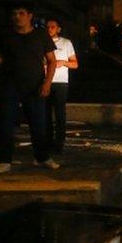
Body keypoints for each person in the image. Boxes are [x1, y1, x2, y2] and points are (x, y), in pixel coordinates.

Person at [0, 1, 58, 173]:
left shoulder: (41, 35)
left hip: (34, 86)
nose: (17, 17)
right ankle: (4, 160)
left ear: (29, 16)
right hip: (9, 85)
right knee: (6, 123)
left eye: (21, 13)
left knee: (39, 124)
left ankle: (42, 157)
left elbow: (52, 60)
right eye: (14, 13)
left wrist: (47, 83)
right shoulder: (5, 34)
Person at [45, 18, 78, 154]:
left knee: (59, 114)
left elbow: (75, 64)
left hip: (60, 83)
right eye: (47, 27)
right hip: (45, 81)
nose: (49, 29)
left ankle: (59, 144)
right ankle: (47, 143)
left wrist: (63, 62)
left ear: (58, 29)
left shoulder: (66, 43)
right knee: (45, 114)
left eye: (52, 27)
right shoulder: (42, 42)